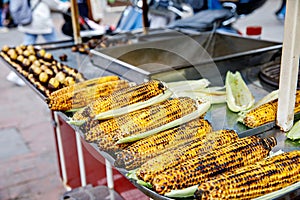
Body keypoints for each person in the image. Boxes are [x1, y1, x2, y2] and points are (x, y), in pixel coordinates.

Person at [6, 0, 70, 86]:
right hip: (40, 20)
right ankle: (63, 70)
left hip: (30, 20)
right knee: (55, 44)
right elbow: (51, 2)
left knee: (27, 46)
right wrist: (65, 6)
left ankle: (14, 74)